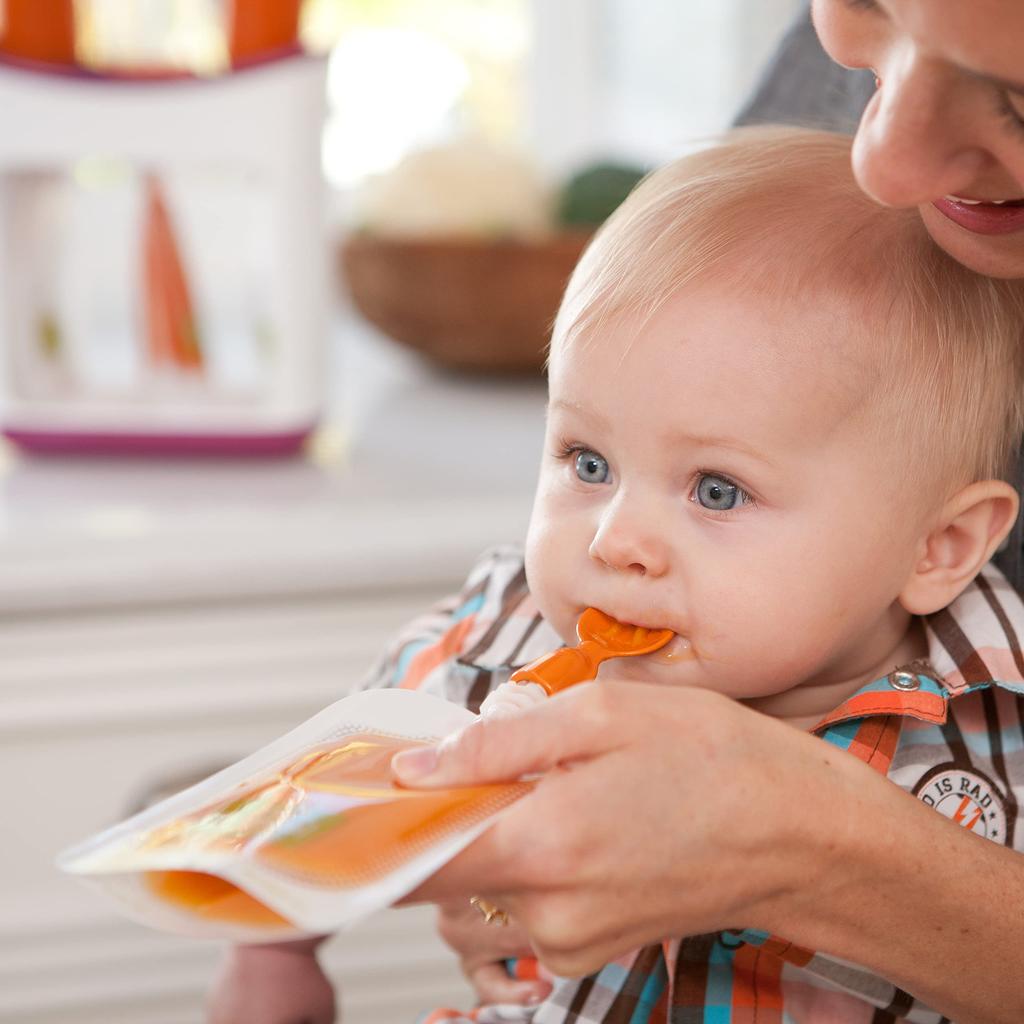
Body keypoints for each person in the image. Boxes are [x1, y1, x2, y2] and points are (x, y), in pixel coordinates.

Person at [210, 125, 1024, 1022]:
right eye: (587, 462)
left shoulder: (999, 710)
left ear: (938, 548)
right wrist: (274, 953)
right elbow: (318, 786)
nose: (614, 539)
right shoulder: (500, 636)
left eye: (717, 489)